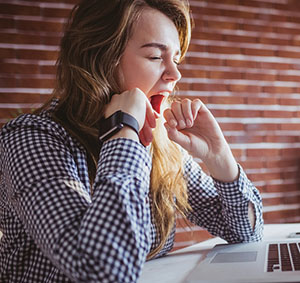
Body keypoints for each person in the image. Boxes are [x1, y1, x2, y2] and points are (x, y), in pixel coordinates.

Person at [0, 0, 264, 282]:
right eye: (154, 57)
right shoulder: (31, 138)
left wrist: (219, 157)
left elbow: (245, 231)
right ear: (100, 58)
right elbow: (102, 270)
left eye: (176, 59)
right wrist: (121, 131)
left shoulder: (160, 142)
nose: (175, 74)